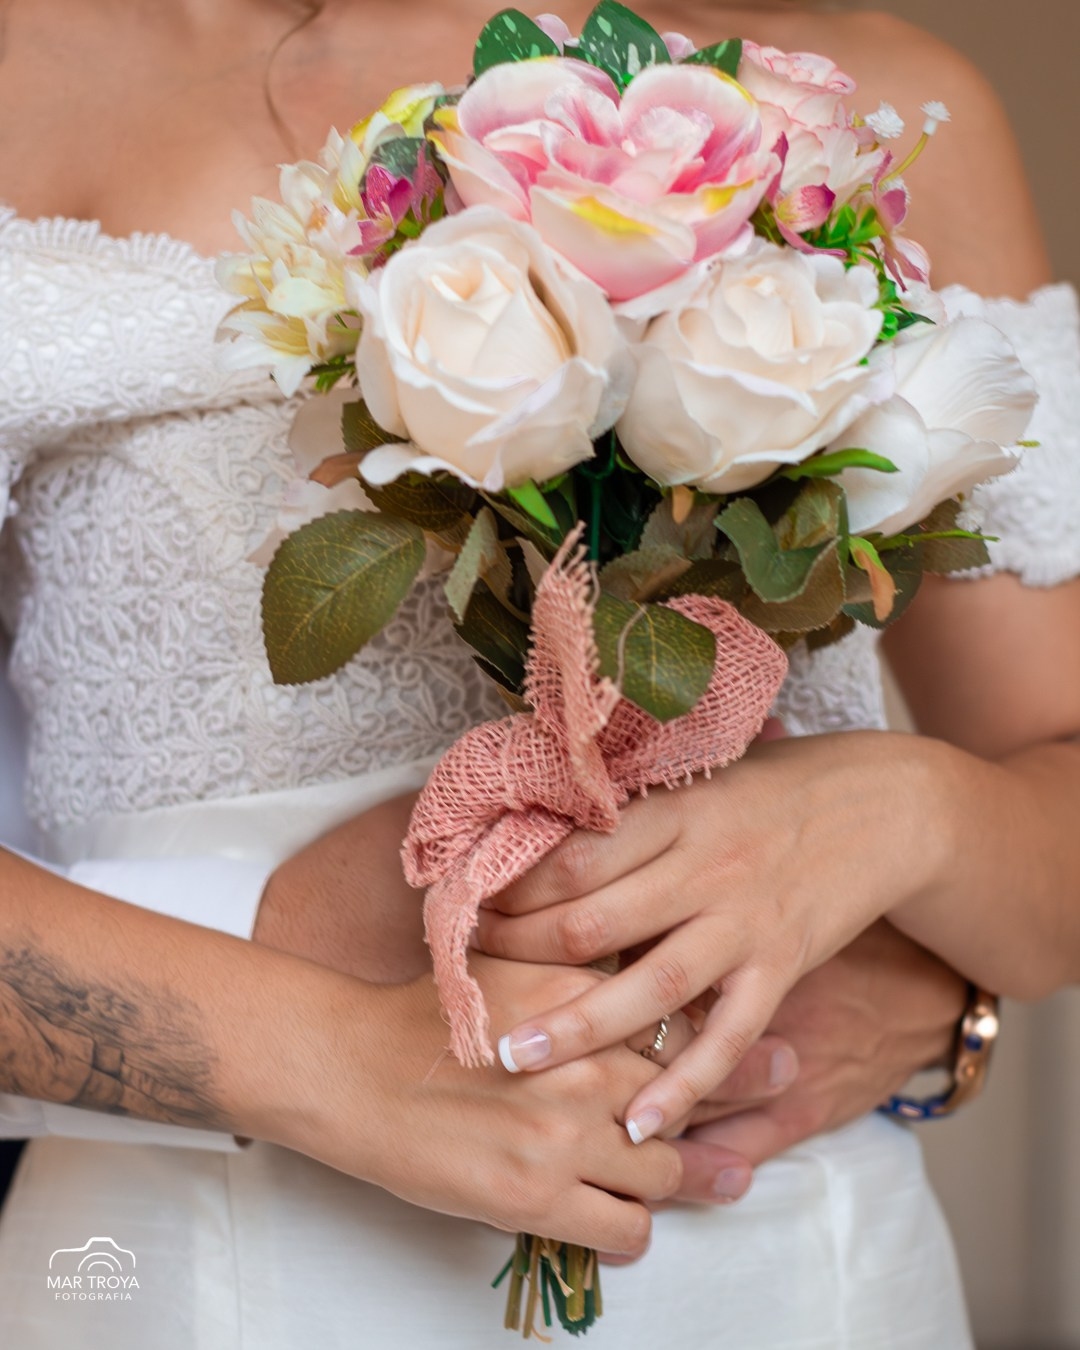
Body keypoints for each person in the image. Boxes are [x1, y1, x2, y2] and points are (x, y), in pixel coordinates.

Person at [0, 3, 1076, 1349]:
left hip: (794, 1260)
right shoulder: (35, 80)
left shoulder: (861, 110)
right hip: (208, 1267)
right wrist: (325, 1051)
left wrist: (891, 815)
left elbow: (1053, 837)